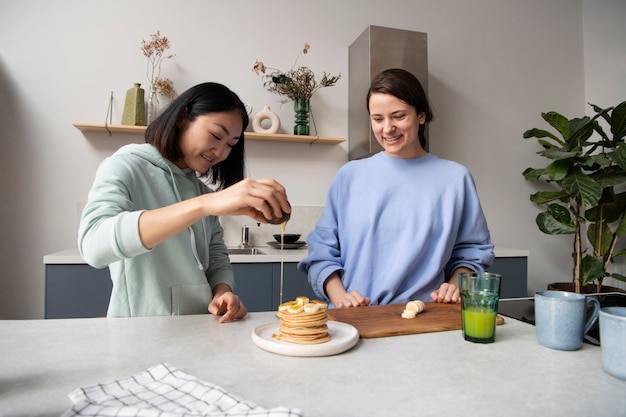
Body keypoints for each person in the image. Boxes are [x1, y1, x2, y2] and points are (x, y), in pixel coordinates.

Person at [78, 82, 290, 321]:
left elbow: (216, 256)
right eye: (215, 136)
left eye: (230, 145)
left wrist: (223, 292)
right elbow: (93, 245)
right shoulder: (125, 166)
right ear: (183, 117)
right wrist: (205, 204)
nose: (220, 152)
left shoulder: (201, 191)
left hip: (199, 331)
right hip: (139, 335)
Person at [298, 68, 494, 308]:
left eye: (399, 116)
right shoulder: (349, 176)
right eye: (377, 118)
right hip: (354, 317)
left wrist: (455, 284)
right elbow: (322, 250)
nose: (387, 128)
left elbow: (472, 250)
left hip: (425, 317)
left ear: (421, 115)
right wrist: (340, 298)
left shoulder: (455, 179)